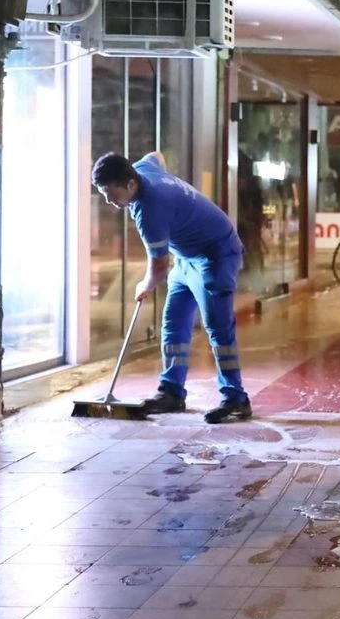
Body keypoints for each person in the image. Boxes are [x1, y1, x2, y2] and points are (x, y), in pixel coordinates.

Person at [91, 151, 251, 424]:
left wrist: (145, 285)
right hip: (188, 258)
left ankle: (236, 399)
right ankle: (171, 393)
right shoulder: (142, 169)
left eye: (112, 194)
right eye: (104, 194)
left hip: (216, 254)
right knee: (174, 322)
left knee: (218, 327)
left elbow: (160, 267)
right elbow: (158, 155)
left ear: (130, 184)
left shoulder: (148, 209)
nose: (110, 201)